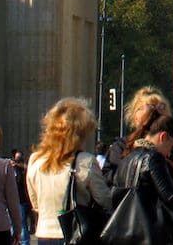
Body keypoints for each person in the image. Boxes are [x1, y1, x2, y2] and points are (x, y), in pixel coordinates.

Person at [26, 98, 114, 245]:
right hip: (75, 233)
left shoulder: (35, 159)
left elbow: (35, 203)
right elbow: (105, 200)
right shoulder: (86, 161)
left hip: (44, 232)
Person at [104, 111, 173, 245]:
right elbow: (171, 198)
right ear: (163, 136)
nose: (170, 152)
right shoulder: (153, 158)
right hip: (148, 232)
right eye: (172, 146)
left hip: (124, 231)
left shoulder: (127, 157)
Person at [10, 149, 33, 245]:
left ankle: (24, 242)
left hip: (22, 200)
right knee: (11, 224)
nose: (17, 161)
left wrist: (18, 165)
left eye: (19, 158)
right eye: (16, 158)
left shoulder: (25, 170)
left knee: (22, 223)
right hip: (13, 200)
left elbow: (28, 169)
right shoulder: (12, 170)